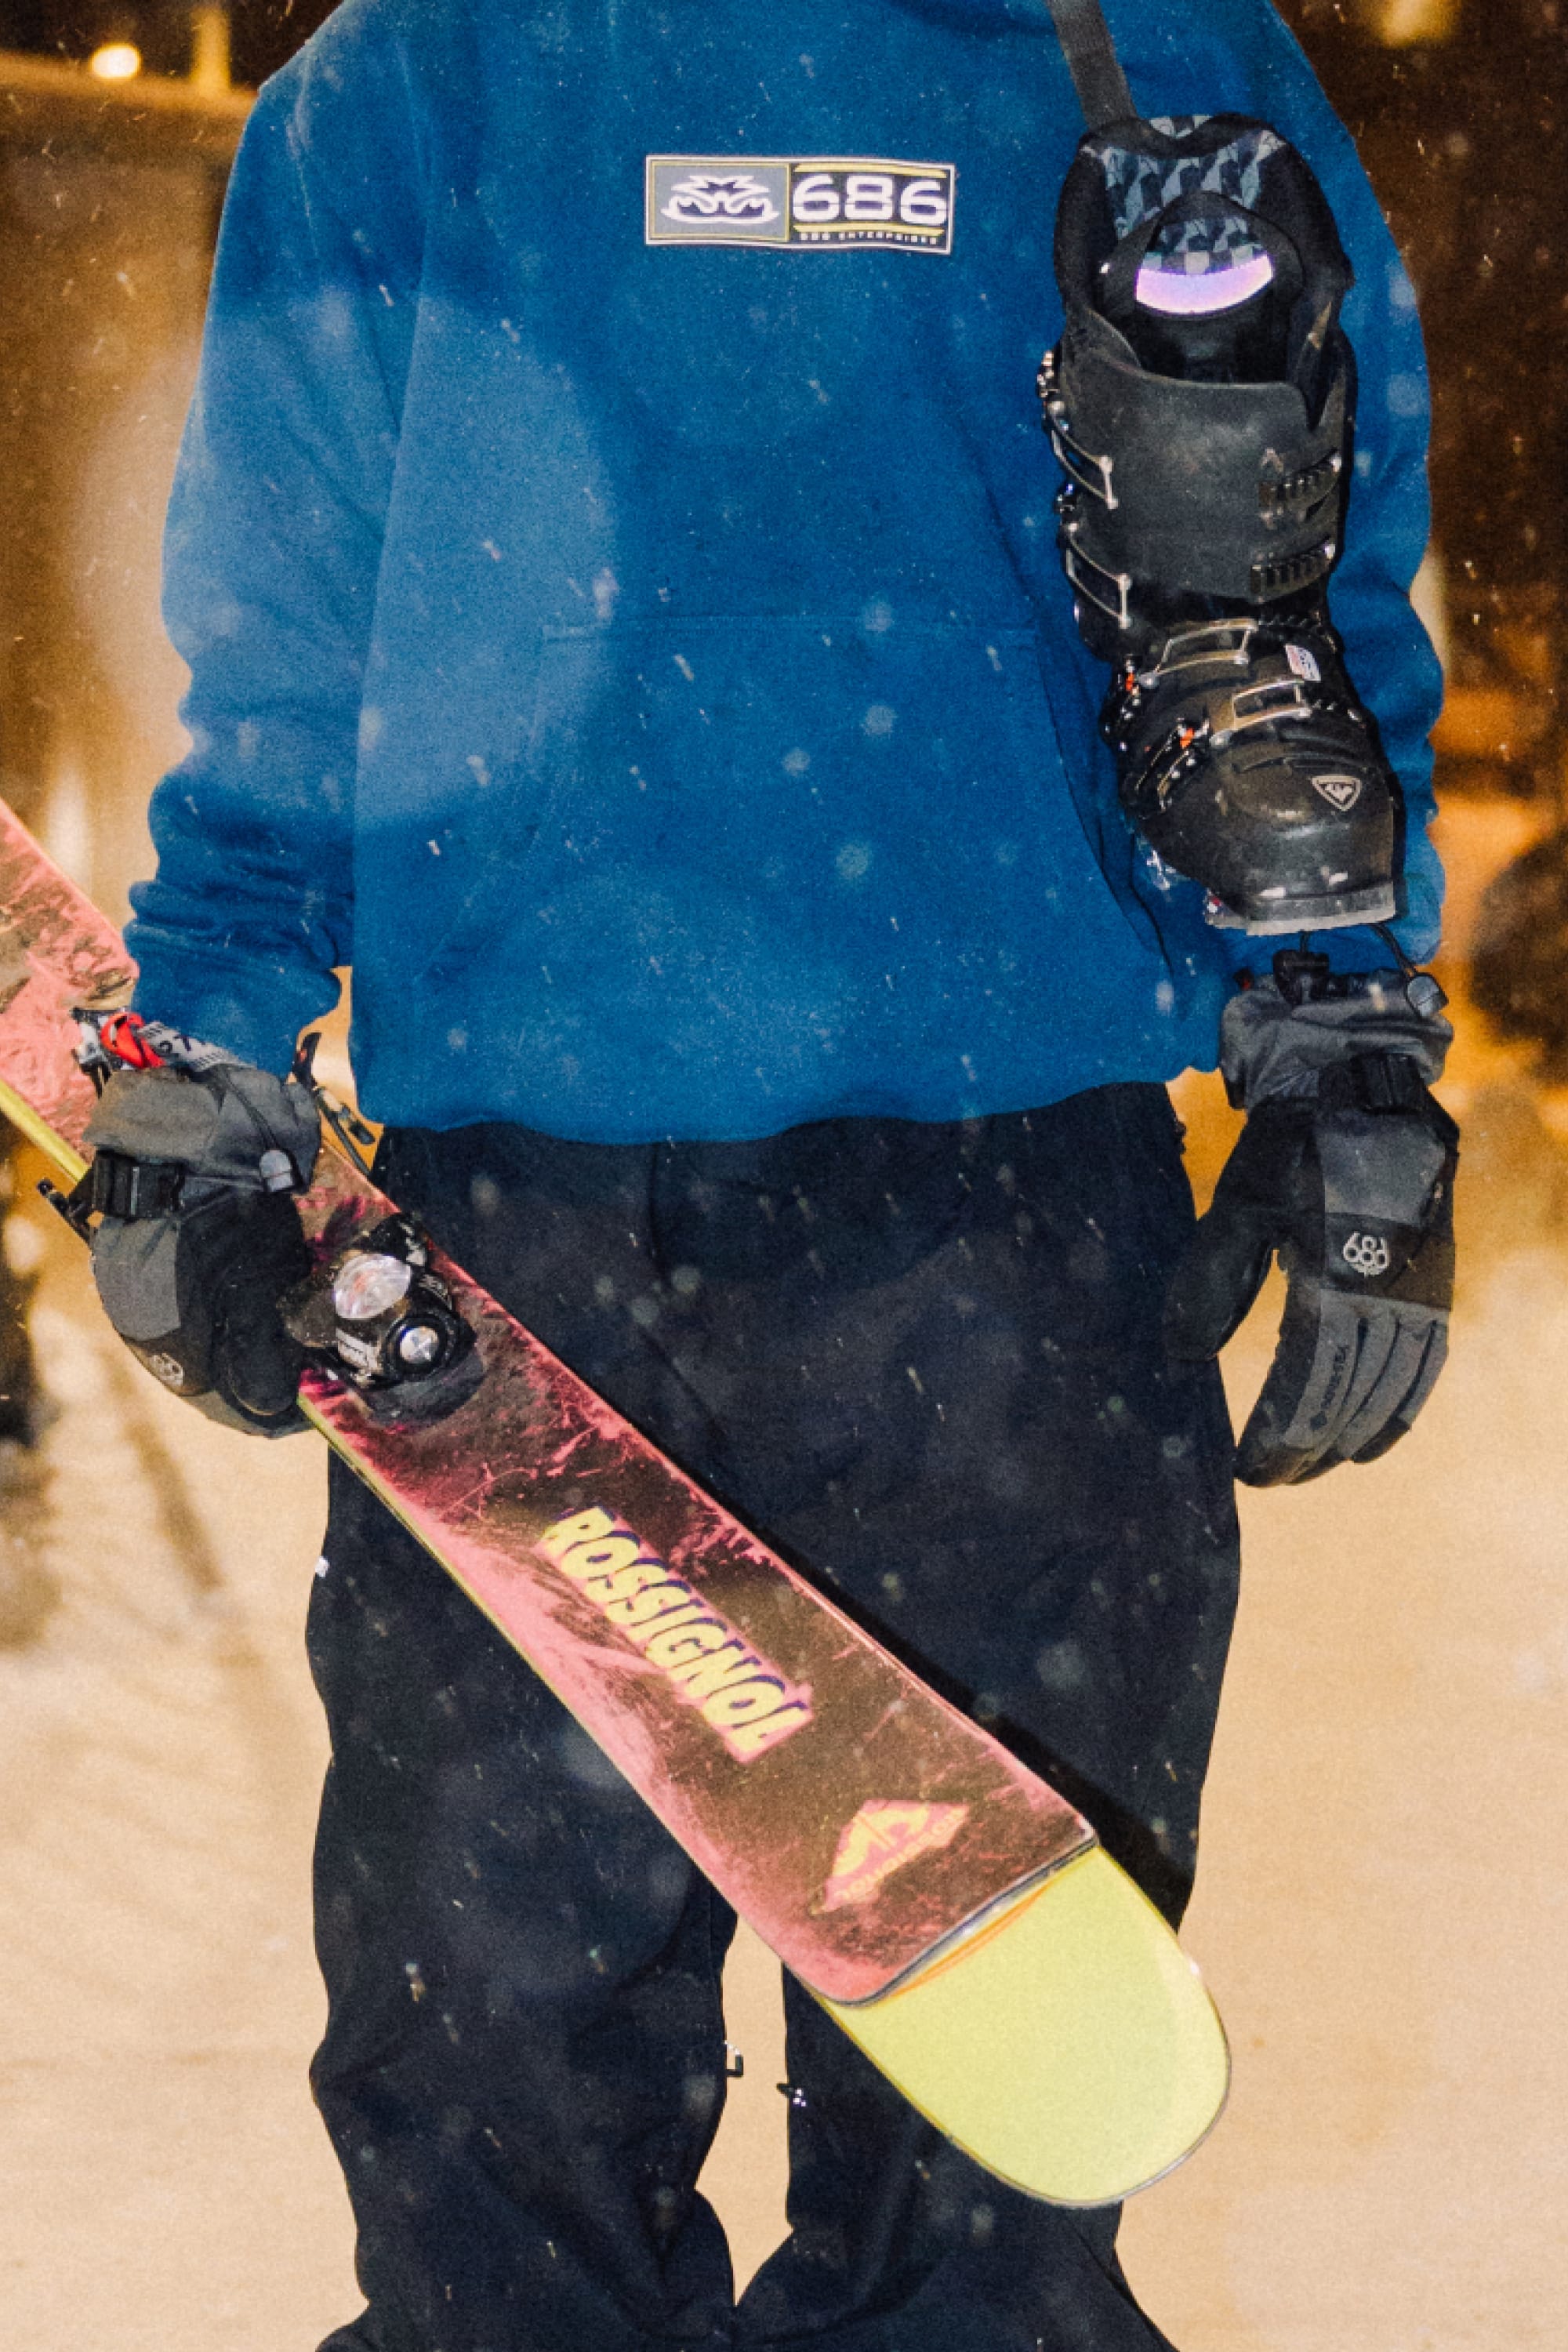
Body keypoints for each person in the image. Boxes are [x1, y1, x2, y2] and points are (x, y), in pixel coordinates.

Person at [79, 0, 1457, 2344]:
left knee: (995, 2140)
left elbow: (1317, 554)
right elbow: (290, 627)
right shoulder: (420, 75)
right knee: (496, 2100)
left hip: (1011, 1238)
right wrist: (205, 1039)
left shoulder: (1150, 51)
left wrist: (1345, 1021)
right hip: (518, 1272)